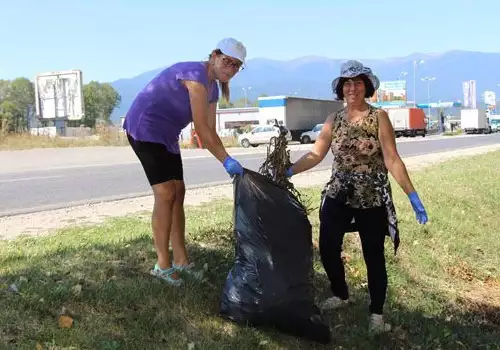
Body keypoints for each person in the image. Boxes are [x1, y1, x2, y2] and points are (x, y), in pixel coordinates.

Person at [285, 60, 428, 334]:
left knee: (373, 254)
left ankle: (376, 315)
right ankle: (340, 293)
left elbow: (392, 159)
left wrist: (412, 195)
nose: (352, 88)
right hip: (338, 192)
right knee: (327, 246)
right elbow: (316, 154)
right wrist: (290, 170)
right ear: (341, 89)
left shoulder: (379, 118)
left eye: (358, 83)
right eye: (347, 84)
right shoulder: (333, 120)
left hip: (370, 195)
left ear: (367, 87)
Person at [122, 38, 247, 286]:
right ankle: (162, 264)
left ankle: (181, 260)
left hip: (167, 135)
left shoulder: (212, 89)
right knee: (166, 193)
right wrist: (227, 161)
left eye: (236, 66)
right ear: (214, 55)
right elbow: (201, 129)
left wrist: (227, 158)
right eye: (227, 61)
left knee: (179, 192)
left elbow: (211, 129)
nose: (229, 69)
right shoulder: (195, 74)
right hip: (145, 127)